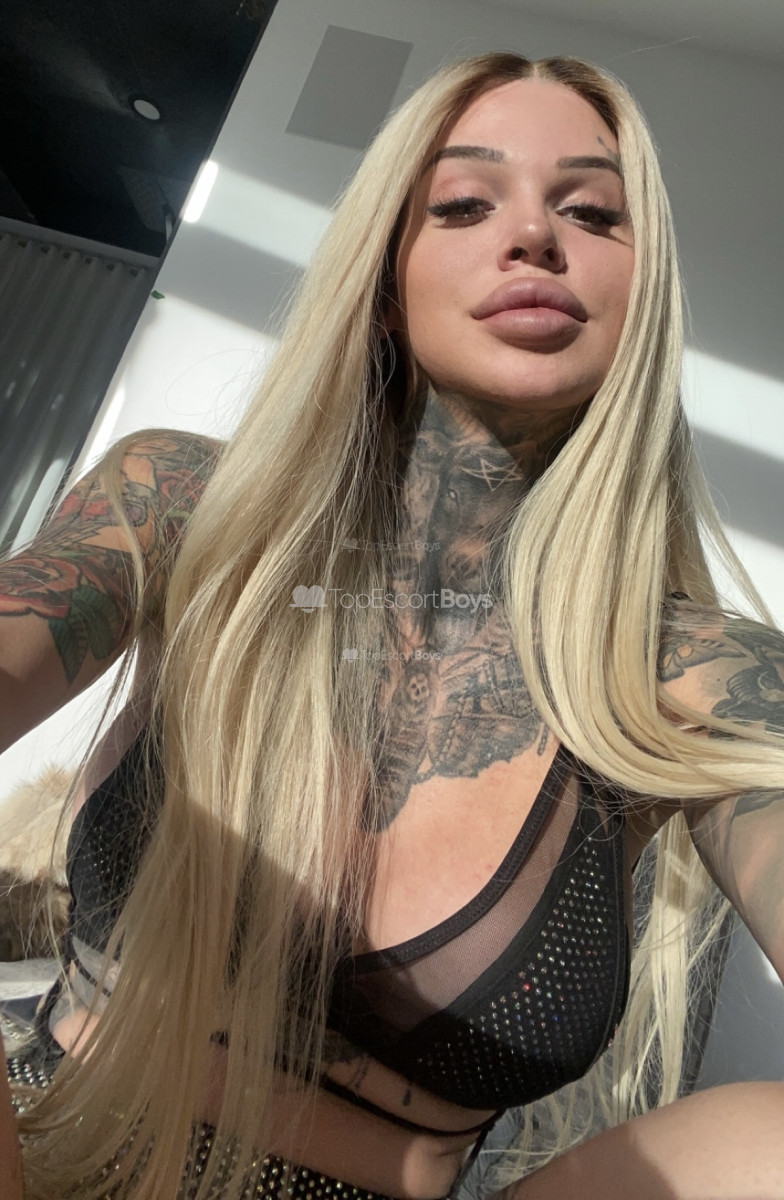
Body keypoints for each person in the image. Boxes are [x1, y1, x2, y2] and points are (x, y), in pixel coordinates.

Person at [2, 49, 784, 1200]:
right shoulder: (179, 505)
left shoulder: (700, 672)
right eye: (464, 203)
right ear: (382, 275)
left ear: (644, 299)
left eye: (591, 212)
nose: (534, 235)